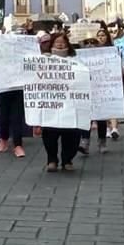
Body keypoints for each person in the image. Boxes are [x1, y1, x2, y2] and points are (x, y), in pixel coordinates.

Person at [41, 33, 82, 172]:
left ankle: (67, 160)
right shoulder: (43, 60)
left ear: (67, 44)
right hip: (51, 103)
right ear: (51, 45)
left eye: (62, 42)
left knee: (71, 133)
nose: (59, 45)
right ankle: (52, 160)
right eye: (56, 42)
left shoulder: (76, 60)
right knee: (50, 132)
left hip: (71, 103)